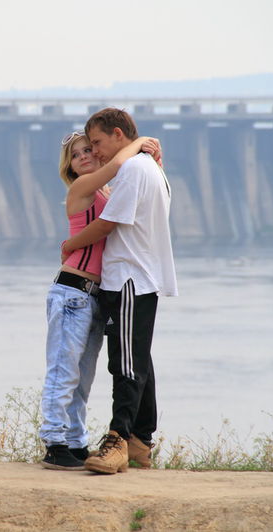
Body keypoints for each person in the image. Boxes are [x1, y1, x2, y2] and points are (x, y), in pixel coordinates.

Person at [61, 107, 177, 475]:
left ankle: (118, 439)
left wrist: (70, 245)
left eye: (97, 143)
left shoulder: (134, 169)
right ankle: (141, 440)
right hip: (140, 277)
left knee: (125, 365)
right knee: (139, 359)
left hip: (128, 278)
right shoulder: (153, 169)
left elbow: (110, 223)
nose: (94, 152)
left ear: (117, 134)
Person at [40, 130, 161, 470]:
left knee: (83, 378)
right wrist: (139, 143)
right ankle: (53, 441)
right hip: (72, 292)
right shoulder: (81, 189)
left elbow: (134, 179)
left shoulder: (107, 190)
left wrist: (152, 158)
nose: (85, 156)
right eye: (76, 155)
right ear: (71, 168)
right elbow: (120, 162)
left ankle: (75, 443)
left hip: (95, 297)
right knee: (63, 372)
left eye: (88, 150)